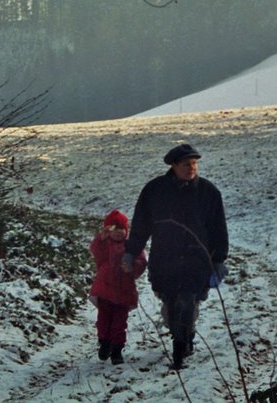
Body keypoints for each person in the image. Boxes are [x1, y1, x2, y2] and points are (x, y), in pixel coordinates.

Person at [122, 143, 229, 370]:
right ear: (174, 165)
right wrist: (131, 251)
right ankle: (179, 334)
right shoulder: (154, 190)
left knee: (188, 299)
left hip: (196, 259)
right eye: (186, 164)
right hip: (165, 258)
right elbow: (141, 224)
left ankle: (183, 343)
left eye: (194, 164)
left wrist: (218, 259)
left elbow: (218, 227)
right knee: (170, 303)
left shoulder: (209, 192)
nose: (191, 168)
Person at [89, 209, 146, 365]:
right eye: (115, 228)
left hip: (124, 291)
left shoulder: (131, 246)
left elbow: (141, 261)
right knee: (103, 320)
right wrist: (100, 238)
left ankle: (116, 350)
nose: (119, 232)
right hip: (105, 290)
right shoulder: (104, 246)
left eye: (122, 228)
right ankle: (104, 342)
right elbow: (95, 250)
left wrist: (133, 267)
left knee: (120, 322)